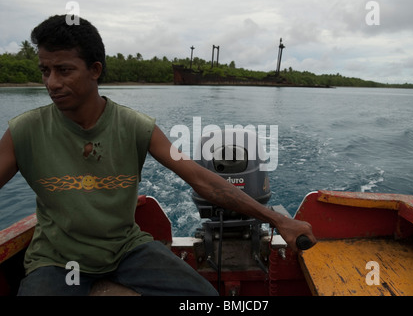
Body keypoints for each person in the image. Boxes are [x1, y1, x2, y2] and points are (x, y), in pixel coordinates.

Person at [0, 15, 316, 296]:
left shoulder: (135, 127)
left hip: (125, 251)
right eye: (45, 71)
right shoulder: (25, 131)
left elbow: (202, 180)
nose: (52, 83)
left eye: (63, 70)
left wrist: (278, 220)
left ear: (95, 70)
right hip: (57, 260)